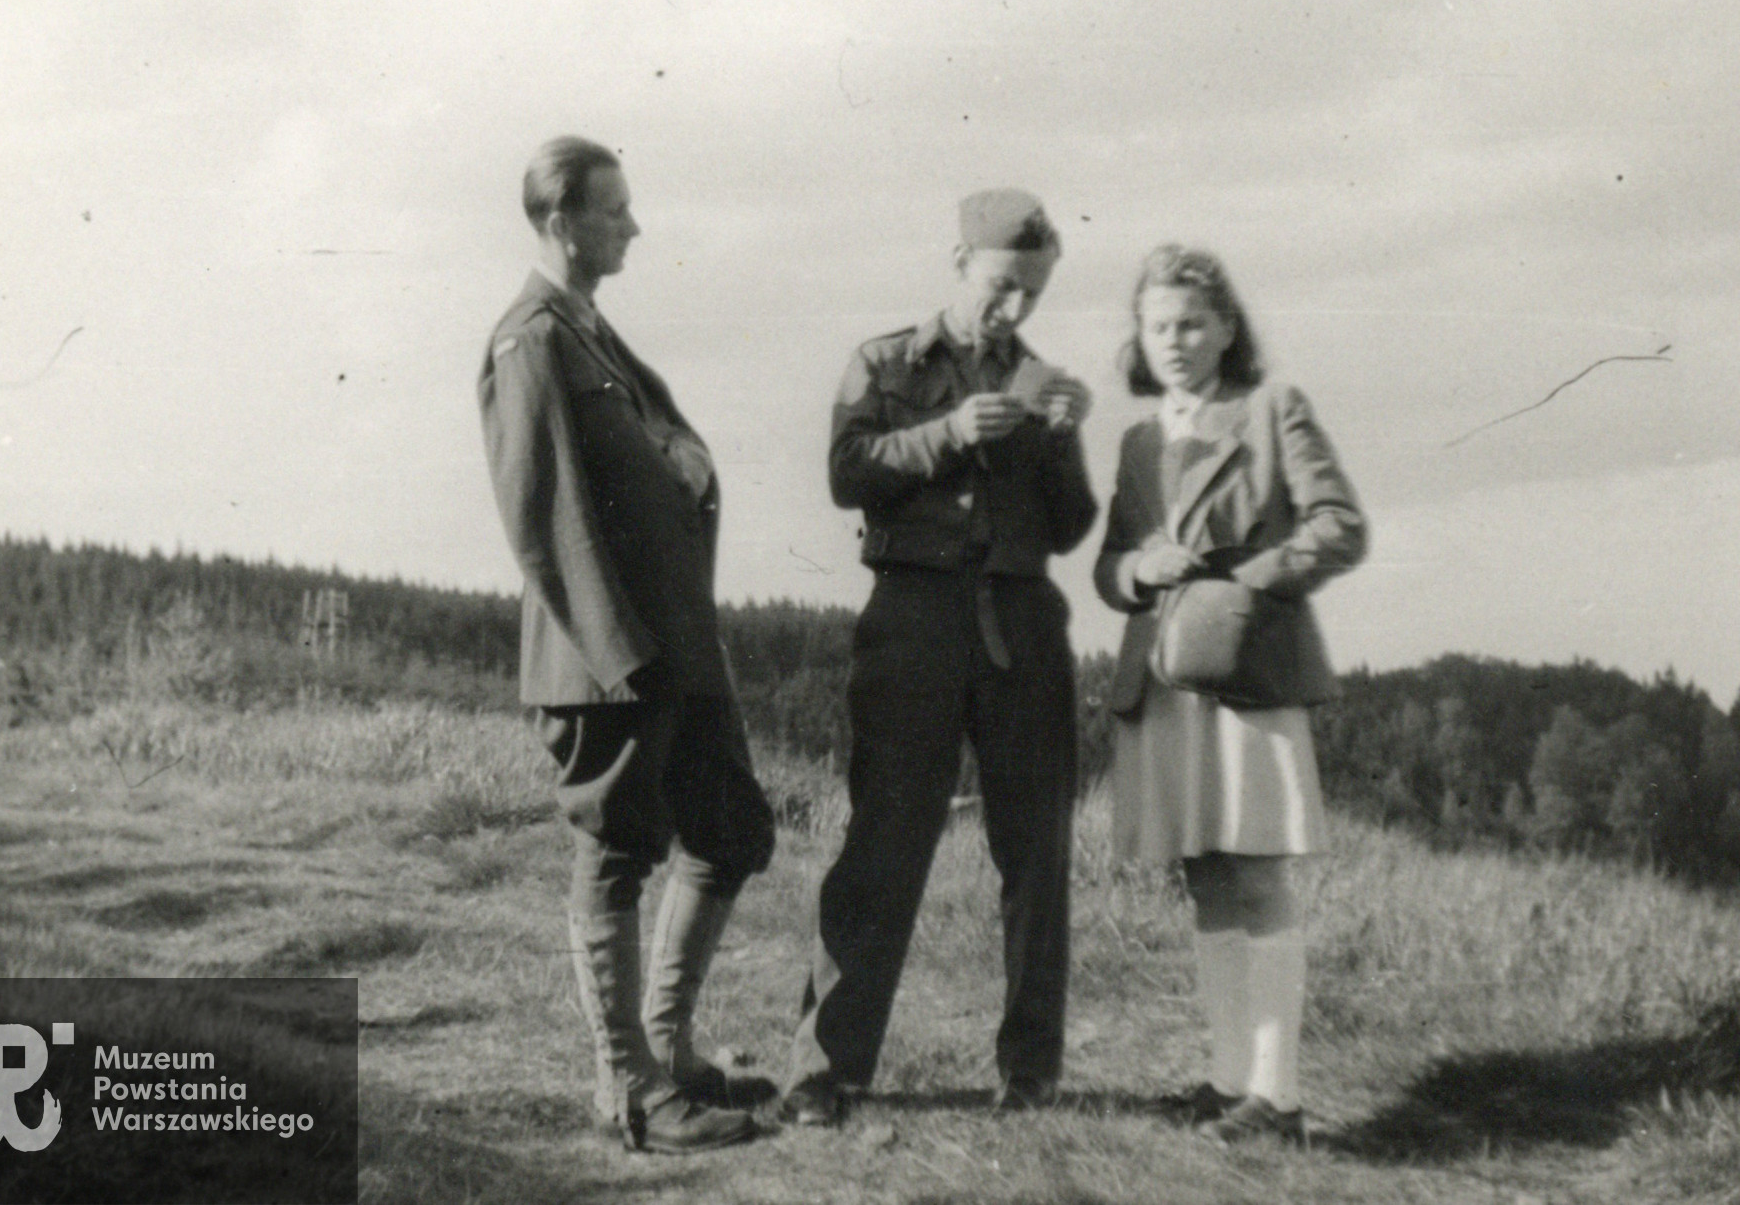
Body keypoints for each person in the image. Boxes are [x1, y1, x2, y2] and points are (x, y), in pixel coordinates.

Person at [477, 136, 775, 1154]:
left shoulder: (591, 332)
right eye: (615, 210)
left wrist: (684, 459)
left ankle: (667, 1050)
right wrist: (617, 655)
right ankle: (631, 1090)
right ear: (563, 221)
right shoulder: (531, 338)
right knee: (615, 852)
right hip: (611, 657)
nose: (633, 226)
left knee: (726, 828)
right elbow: (537, 513)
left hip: (673, 644)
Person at [780, 189, 1098, 1126]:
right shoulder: (884, 362)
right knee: (884, 840)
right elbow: (847, 473)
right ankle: (825, 1071)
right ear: (959, 262)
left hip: (1023, 624)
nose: (1014, 313)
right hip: (913, 617)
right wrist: (950, 433)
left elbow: (1073, 525)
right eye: (1002, 288)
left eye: (1032, 296)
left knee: (1035, 852)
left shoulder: (1041, 378)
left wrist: (1062, 439)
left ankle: (1030, 1075)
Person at [1093, 244, 1366, 1145]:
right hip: (1168, 684)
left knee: (1257, 876)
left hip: (1248, 673)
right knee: (1204, 876)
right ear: (1140, 334)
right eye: (1158, 325)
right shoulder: (1138, 440)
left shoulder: (1270, 407)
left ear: (1226, 330)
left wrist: (1243, 583)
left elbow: (1340, 526)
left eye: (1192, 325)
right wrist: (1139, 564)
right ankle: (1225, 1080)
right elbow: (1106, 567)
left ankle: (1278, 1098)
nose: (1174, 341)